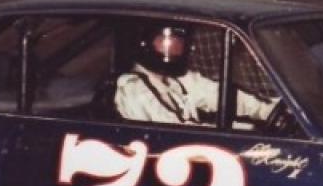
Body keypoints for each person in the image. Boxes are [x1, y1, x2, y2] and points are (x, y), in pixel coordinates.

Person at [114, 25, 277, 126]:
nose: (175, 47)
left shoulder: (178, 79)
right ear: (144, 42)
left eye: (179, 41)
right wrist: (244, 130)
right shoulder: (133, 88)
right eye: (166, 41)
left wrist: (267, 109)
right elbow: (176, 131)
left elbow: (222, 95)